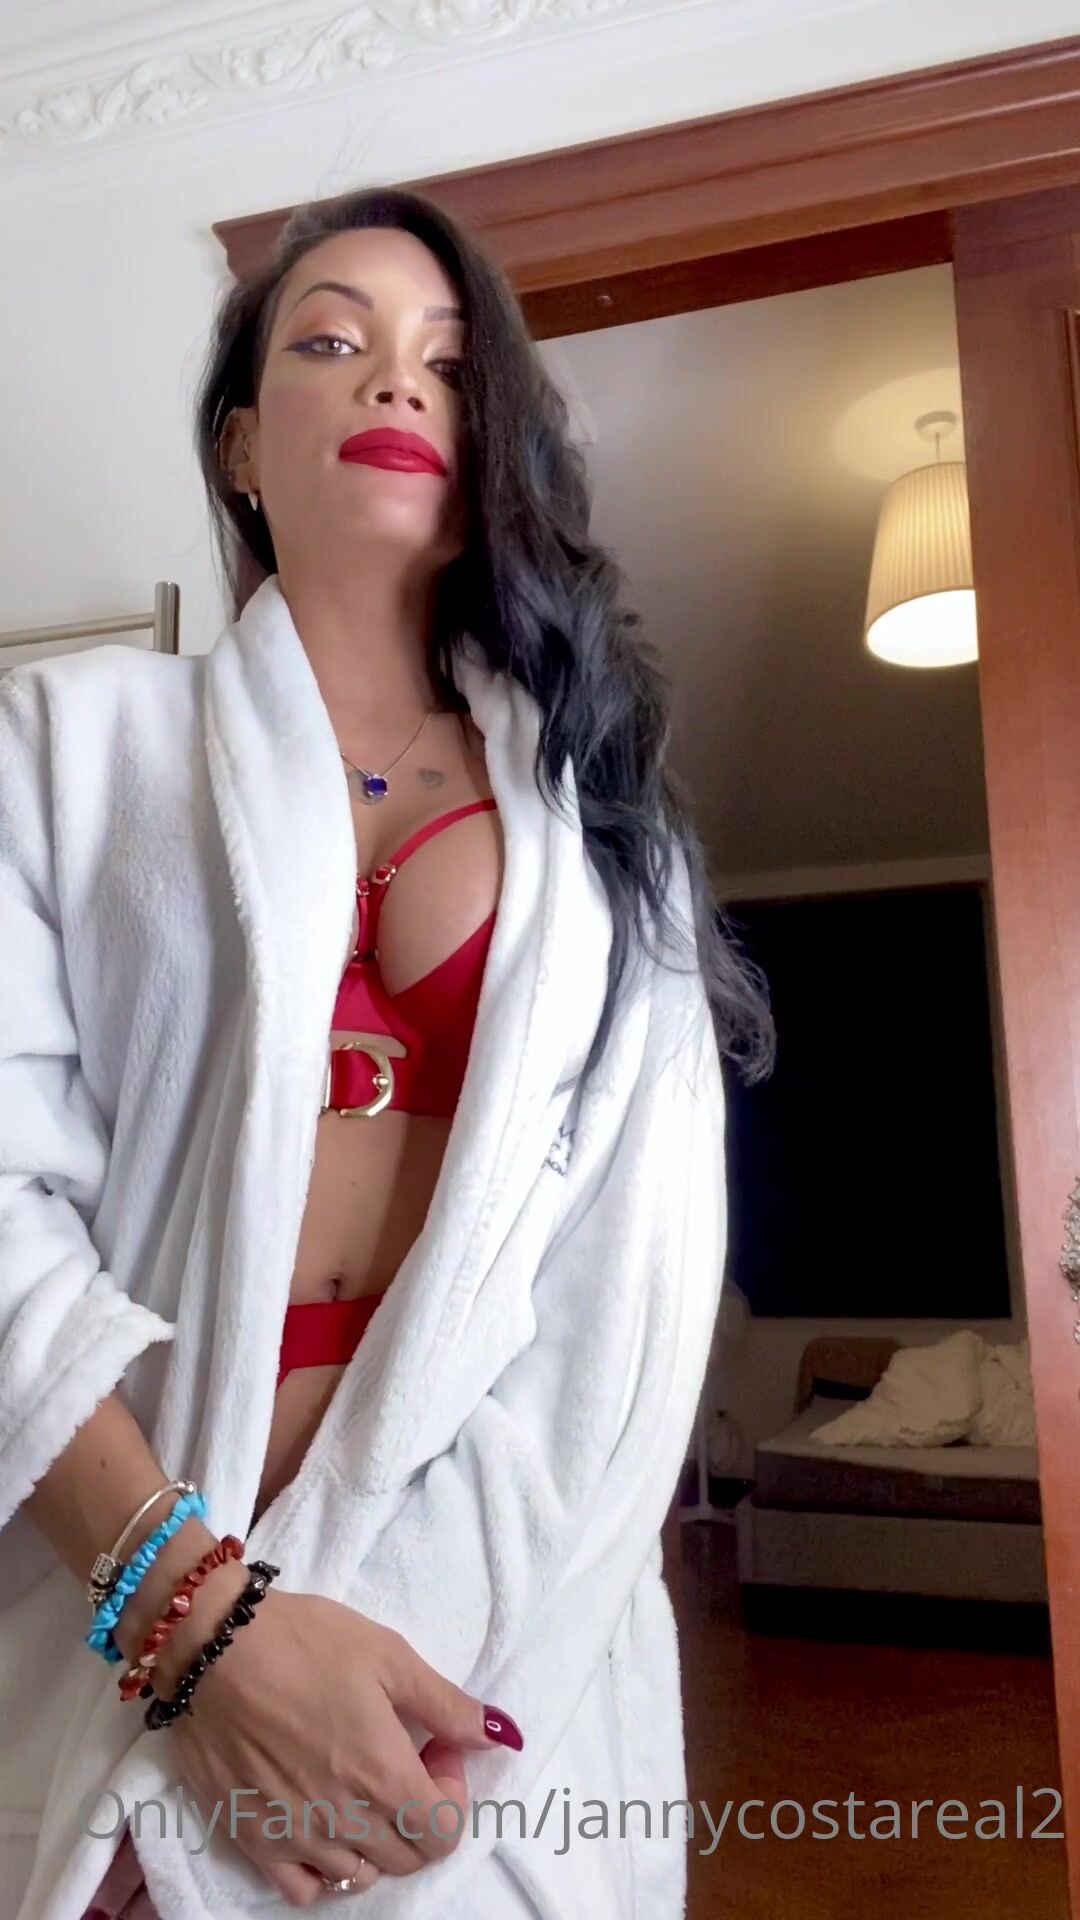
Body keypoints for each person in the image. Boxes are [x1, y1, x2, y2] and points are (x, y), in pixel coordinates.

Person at [0, 187, 769, 1919]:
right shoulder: (59, 744)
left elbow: (623, 1331)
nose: (396, 380)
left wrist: (331, 1712)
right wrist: (190, 1629)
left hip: (466, 1677)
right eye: (331, 340)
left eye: (449, 363)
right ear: (241, 445)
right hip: (95, 1609)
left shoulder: (613, 844)